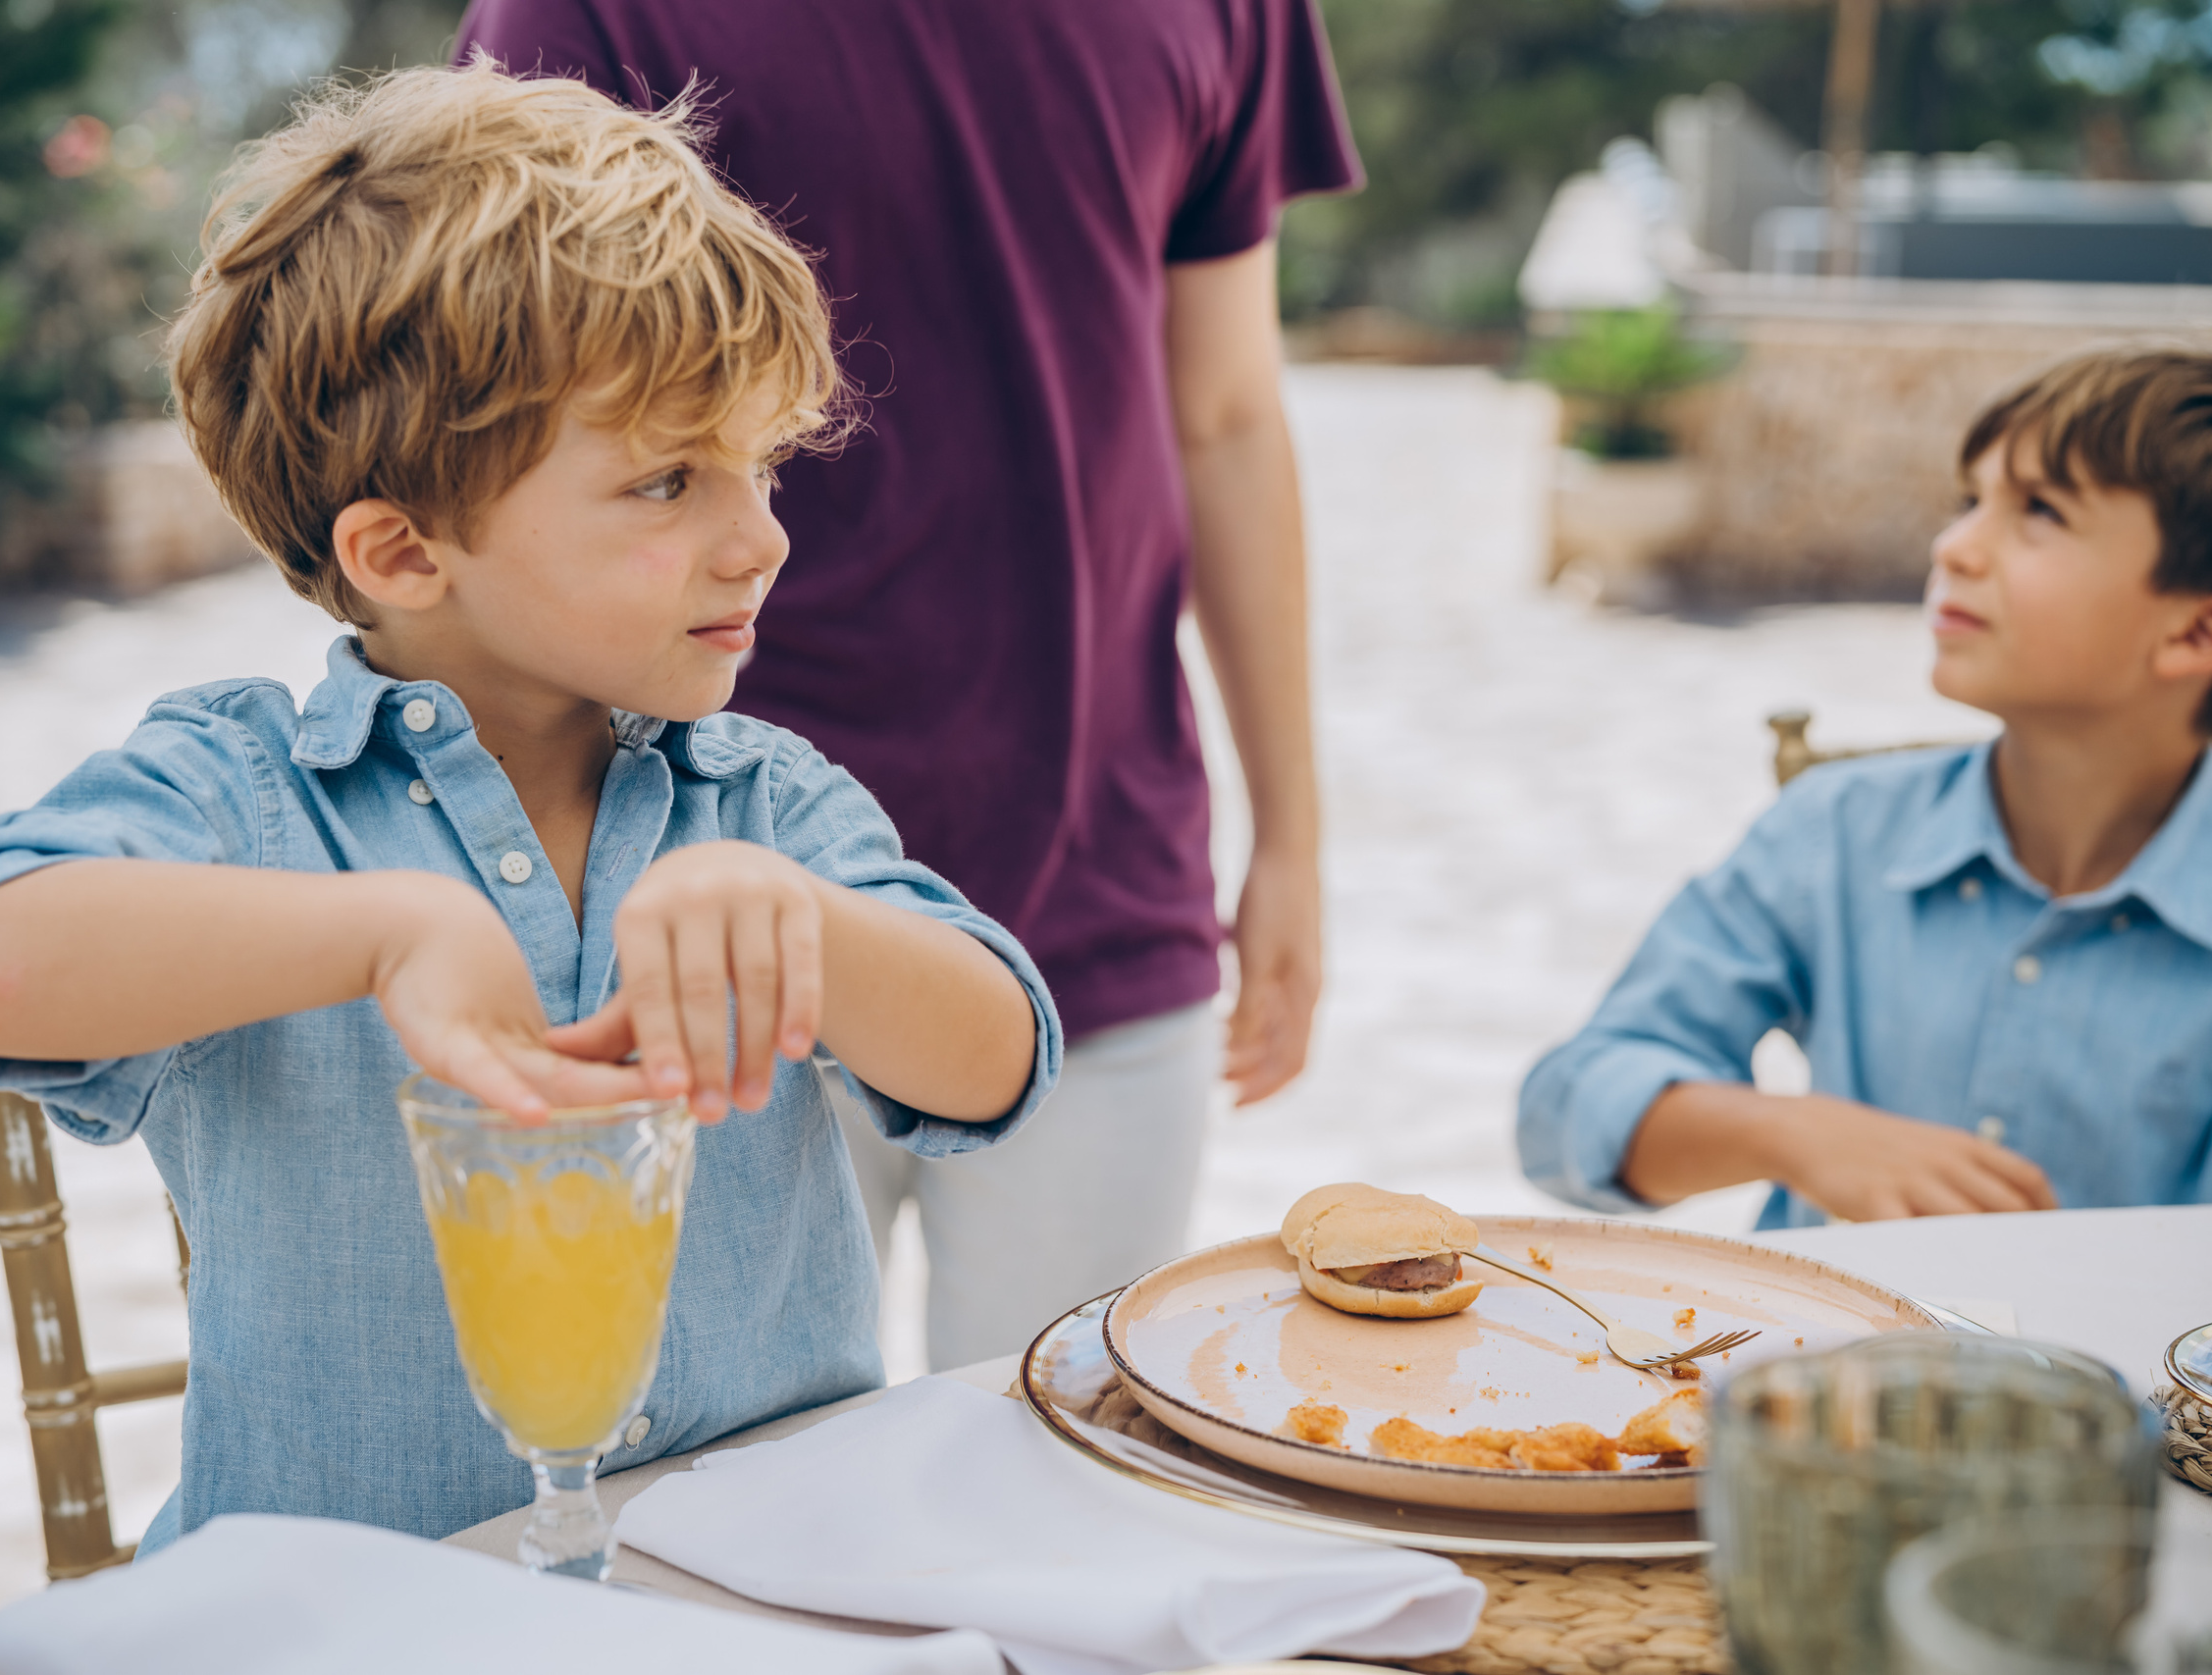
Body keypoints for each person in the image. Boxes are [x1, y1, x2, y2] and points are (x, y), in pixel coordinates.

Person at [0, 63, 1060, 1550]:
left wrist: (815, 927)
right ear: (400, 551)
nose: (761, 537)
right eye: (666, 483)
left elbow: (996, 1058)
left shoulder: (760, 801)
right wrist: (386, 930)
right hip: (343, 1620)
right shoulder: (249, 794)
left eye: (759, 466)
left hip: (753, 1600)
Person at [455, 0, 1363, 1368]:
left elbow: (1227, 406)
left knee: (1064, 1502)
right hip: (685, 925)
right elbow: (482, 432)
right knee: (713, 1523)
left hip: (1097, 886)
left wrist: (1292, 831)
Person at [1519, 347, 2212, 1230]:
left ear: (2194, 628)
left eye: (2040, 510)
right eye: (1971, 502)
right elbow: (1562, 1111)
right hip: (1829, 1361)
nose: (1954, 547)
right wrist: (1789, 1132)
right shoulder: (1836, 830)